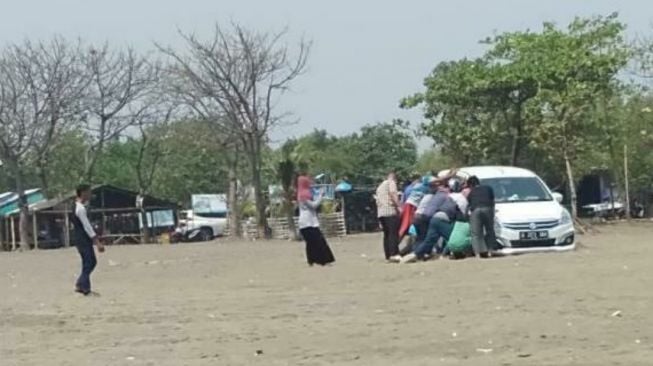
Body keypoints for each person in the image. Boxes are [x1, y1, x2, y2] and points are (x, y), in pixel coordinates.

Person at [72, 184, 104, 295]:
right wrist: (97, 242)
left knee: (88, 262)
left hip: (80, 238)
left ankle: (83, 286)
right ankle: (81, 285)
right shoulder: (80, 209)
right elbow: (87, 226)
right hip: (83, 239)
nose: (90, 194)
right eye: (89, 192)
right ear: (83, 192)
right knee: (90, 262)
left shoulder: (76, 206)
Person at [297, 174, 336, 266]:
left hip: (305, 222)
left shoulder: (303, 193)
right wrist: (321, 196)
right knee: (319, 242)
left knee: (311, 243)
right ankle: (324, 260)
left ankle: (311, 261)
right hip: (308, 222)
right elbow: (313, 205)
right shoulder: (304, 195)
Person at [467, 176, 496, 258]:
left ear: (471, 185)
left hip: (475, 210)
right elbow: (493, 200)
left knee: (476, 233)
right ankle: (490, 251)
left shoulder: (471, 192)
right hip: (487, 208)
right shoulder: (488, 188)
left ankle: (478, 253)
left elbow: (469, 203)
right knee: (490, 230)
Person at [375, 171, 401, 261]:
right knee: (393, 233)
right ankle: (394, 253)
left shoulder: (380, 186)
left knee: (386, 234)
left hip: (381, 212)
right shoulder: (391, 183)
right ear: (394, 177)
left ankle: (388, 255)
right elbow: (393, 194)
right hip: (390, 210)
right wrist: (399, 206)